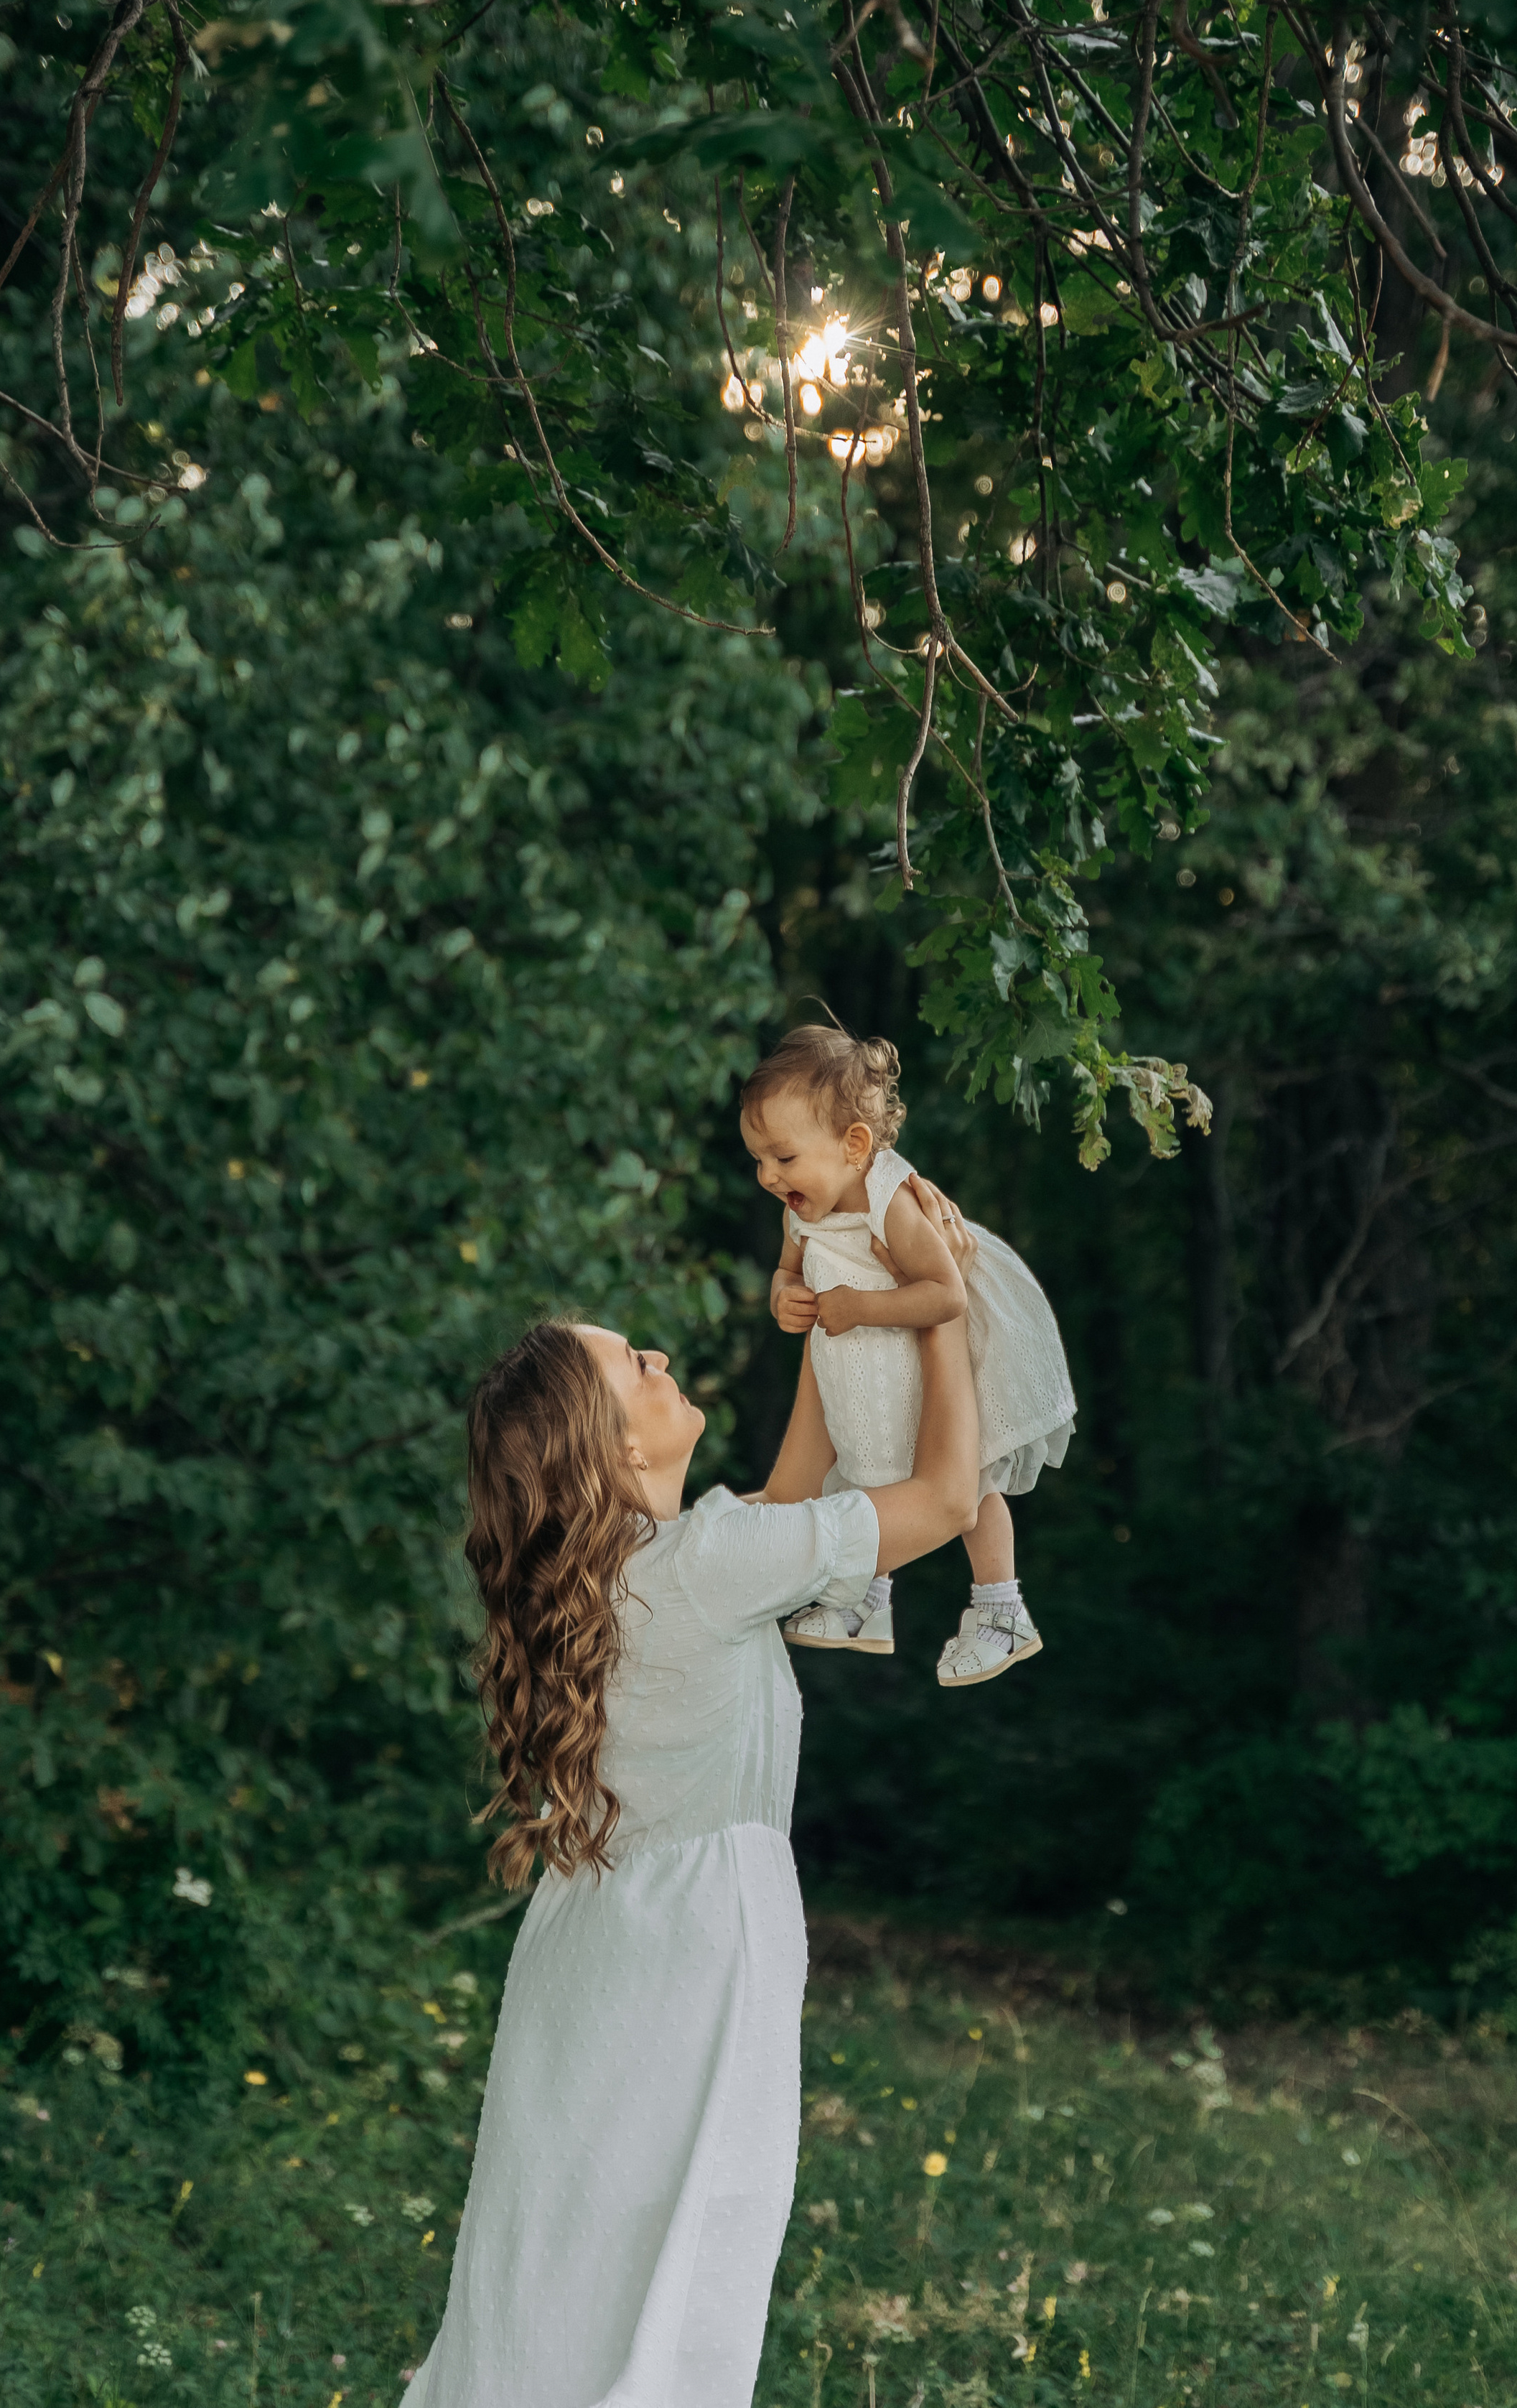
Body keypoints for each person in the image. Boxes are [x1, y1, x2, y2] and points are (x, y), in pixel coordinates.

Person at [400, 1196, 979, 2408]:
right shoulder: (707, 1568)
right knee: (688, 2252)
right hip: (698, 1953)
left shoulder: (637, 1572)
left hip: (594, 1949)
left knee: (562, 2261)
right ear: (615, 1449)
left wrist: (839, 1318)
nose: (662, 1357)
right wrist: (942, 1318)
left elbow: (796, 1497)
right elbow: (948, 1500)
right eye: (636, 1364)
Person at [739, 1023, 1075, 1686]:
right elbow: (788, 1270)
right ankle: (866, 1603)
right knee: (869, 1473)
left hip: (924, 1367)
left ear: (854, 1145)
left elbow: (945, 1294)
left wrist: (859, 1307)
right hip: (864, 1372)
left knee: (972, 1484)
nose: (768, 1177)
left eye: (782, 1157)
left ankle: (1002, 1609)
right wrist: (785, 1297)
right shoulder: (801, 1208)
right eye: (758, 1159)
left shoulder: (893, 1202)